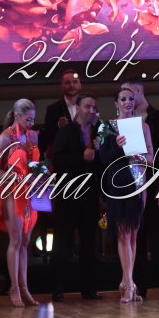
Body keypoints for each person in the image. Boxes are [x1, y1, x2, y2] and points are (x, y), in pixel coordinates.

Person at [122, 79, 159, 299]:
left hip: (156, 183)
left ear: (138, 91)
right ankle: (139, 285)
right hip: (132, 185)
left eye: (129, 94)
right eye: (123, 96)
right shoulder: (123, 122)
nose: (127, 100)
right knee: (136, 236)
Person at [98, 88, 153, 303]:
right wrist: (119, 148)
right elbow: (103, 159)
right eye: (123, 99)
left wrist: (141, 157)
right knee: (122, 233)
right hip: (118, 183)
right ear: (116, 103)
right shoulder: (107, 127)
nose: (128, 102)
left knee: (132, 234)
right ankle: (129, 284)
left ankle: (127, 282)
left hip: (138, 181)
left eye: (131, 99)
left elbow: (151, 157)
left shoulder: (143, 126)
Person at [50, 93, 103, 301]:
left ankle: (88, 289)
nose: (91, 111)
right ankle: (57, 288)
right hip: (68, 194)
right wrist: (82, 156)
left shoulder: (98, 133)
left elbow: (102, 165)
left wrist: (99, 153)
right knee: (63, 242)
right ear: (78, 108)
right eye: (87, 107)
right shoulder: (66, 132)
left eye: (94, 108)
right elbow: (56, 159)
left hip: (89, 194)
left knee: (89, 242)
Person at [0, 99, 41, 307]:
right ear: (17, 116)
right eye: (28, 119)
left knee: (26, 241)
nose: (32, 123)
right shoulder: (6, 137)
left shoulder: (32, 136)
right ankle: (14, 288)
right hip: (11, 192)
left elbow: (35, 164)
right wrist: (9, 176)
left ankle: (24, 287)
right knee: (16, 239)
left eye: (33, 119)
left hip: (29, 191)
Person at [40, 69, 83, 156]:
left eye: (75, 82)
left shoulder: (89, 107)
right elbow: (46, 137)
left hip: (85, 157)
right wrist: (58, 126)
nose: (72, 85)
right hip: (63, 158)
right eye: (67, 83)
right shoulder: (53, 109)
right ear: (62, 86)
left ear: (80, 85)